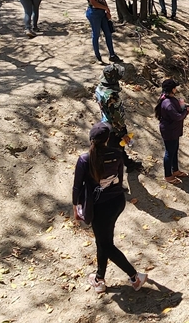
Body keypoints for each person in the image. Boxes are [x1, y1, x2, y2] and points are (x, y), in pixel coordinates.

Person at [72, 122, 148, 294]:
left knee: (105, 245)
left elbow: (77, 187)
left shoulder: (84, 159)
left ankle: (135, 277)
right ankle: (99, 278)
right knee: (104, 240)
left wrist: (76, 207)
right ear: (107, 139)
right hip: (117, 202)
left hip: (99, 208)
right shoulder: (116, 153)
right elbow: (120, 179)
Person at [95, 64, 142, 172]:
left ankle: (129, 164)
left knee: (118, 148)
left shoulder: (99, 88)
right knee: (117, 150)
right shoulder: (112, 96)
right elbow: (116, 118)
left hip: (105, 121)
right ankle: (116, 176)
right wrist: (123, 133)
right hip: (114, 127)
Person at [154, 78, 189, 184]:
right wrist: (186, 112)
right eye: (175, 87)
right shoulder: (167, 103)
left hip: (174, 130)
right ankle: (168, 176)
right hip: (170, 131)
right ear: (172, 89)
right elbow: (178, 117)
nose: (176, 89)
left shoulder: (168, 97)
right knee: (169, 153)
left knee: (174, 150)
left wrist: (183, 105)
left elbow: (177, 106)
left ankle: (175, 170)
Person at [84, 0, 122, 65]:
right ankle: (98, 57)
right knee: (96, 34)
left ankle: (112, 55)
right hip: (94, 13)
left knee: (108, 33)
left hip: (102, 13)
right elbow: (94, 3)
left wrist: (107, 10)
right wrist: (105, 8)